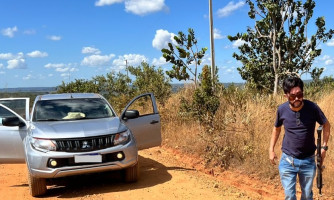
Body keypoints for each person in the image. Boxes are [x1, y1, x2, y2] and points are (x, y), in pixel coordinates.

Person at [269, 76, 330, 200]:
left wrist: (324, 146)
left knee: (307, 196)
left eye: (299, 94)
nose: (297, 98)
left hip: (308, 160)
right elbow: (277, 129)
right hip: (287, 160)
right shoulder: (282, 110)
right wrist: (271, 149)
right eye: (292, 96)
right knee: (290, 196)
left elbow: (326, 124)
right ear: (286, 95)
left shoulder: (312, 108)